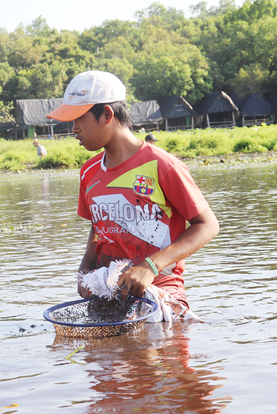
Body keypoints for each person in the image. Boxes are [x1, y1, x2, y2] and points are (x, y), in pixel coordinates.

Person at [46, 71, 219, 316]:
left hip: (158, 291)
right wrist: (85, 268)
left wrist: (151, 265)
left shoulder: (161, 165)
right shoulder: (88, 172)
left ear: (107, 114)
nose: (73, 129)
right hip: (109, 294)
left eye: (78, 119)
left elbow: (208, 225)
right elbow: (99, 227)